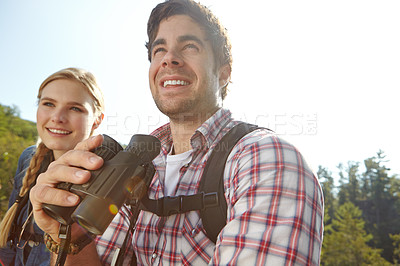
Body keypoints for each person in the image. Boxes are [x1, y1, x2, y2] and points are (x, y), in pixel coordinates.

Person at [29, 0, 324, 265]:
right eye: (159, 50)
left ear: (224, 71)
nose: (169, 59)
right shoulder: (135, 164)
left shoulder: (265, 159)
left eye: (190, 46)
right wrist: (70, 236)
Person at [0, 67, 105, 266]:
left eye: (75, 108)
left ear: (97, 120)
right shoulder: (28, 158)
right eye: (48, 104)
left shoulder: (106, 180)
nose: (57, 117)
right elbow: (10, 234)